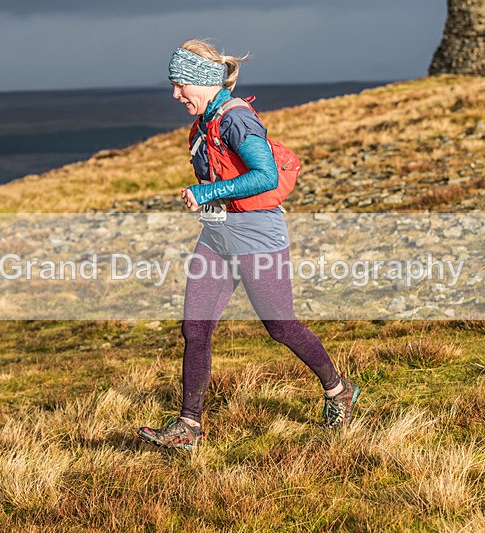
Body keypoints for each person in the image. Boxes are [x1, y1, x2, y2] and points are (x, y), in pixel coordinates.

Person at [138, 39, 359, 450]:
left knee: (280, 326)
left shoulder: (237, 120)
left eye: (179, 85)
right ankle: (189, 428)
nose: (175, 94)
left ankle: (338, 390)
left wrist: (205, 193)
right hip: (218, 239)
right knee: (195, 328)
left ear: (201, 82)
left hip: (258, 238)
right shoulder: (204, 123)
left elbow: (266, 176)